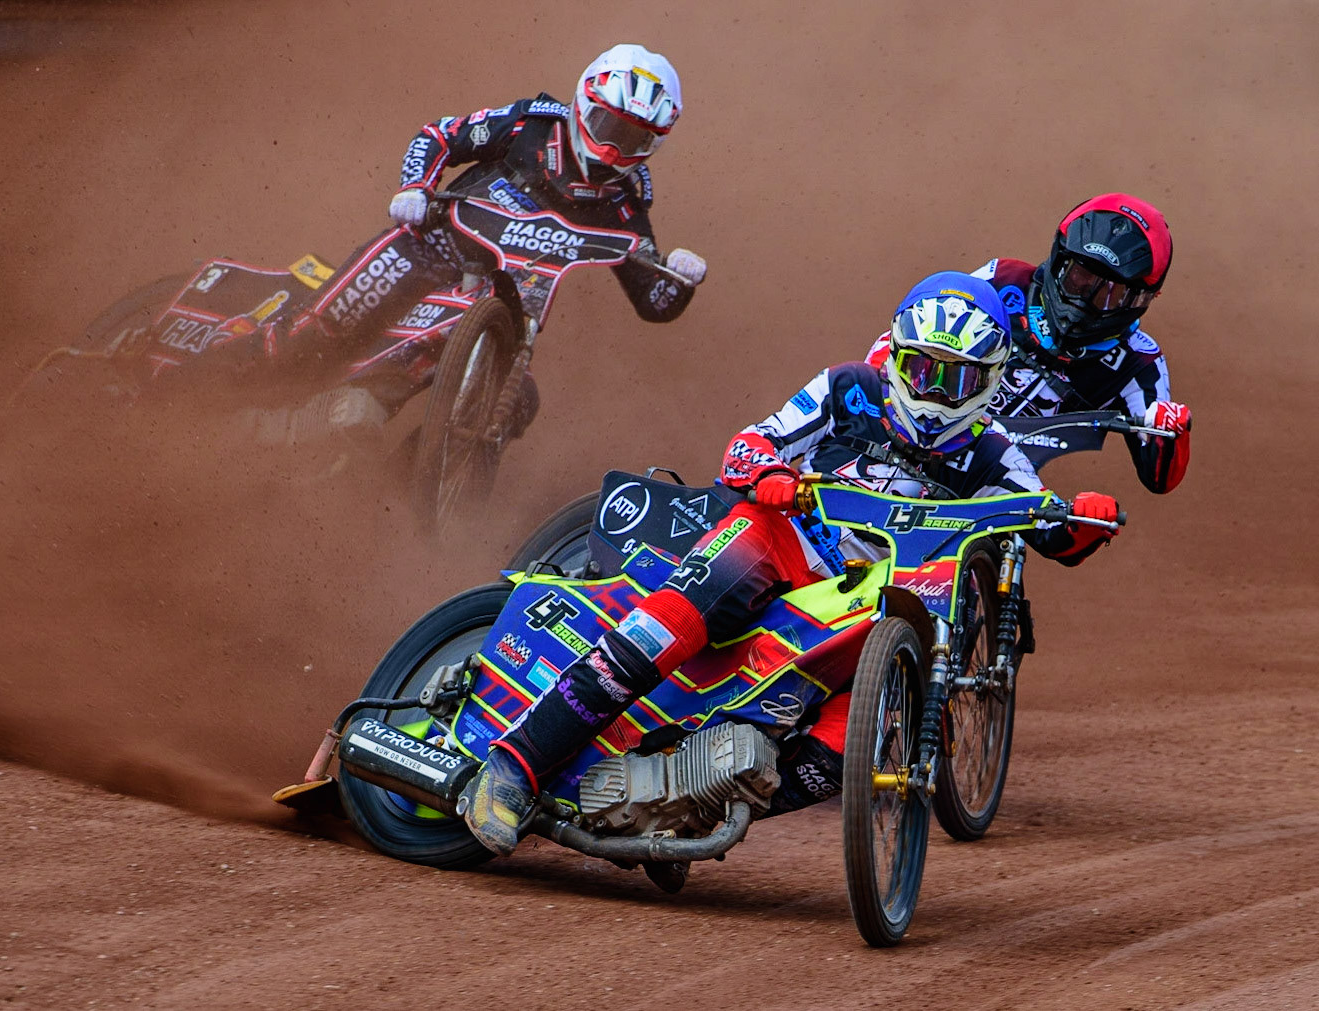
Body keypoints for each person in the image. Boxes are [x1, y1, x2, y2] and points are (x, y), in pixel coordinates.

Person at [461, 271, 1125, 855]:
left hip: (873, 601)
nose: (934, 392)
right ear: (895, 357)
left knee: (855, 743)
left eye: (956, 379)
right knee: (661, 629)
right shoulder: (845, 388)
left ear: (989, 383)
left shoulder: (995, 455)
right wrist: (770, 472)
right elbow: (748, 445)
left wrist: (1083, 518)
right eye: (922, 369)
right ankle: (512, 767)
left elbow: (1047, 527)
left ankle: (689, 807)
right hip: (781, 540)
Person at [217, 43, 706, 429]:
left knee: (519, 403)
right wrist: (415, 187)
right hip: (425, 250)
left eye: (634, 140)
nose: (613, 150)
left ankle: (410, 488)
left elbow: (652, 298)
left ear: (654, 145)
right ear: (583, 103)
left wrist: (680, 278)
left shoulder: (626, 197)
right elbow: (440, 135)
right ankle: (196, 382)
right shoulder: (530, 124)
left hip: (501, 310)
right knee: (309, 338)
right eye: (608, 125)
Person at [866, 194, 1190, 493]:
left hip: (994, 477)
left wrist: (1173, 429)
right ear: (1059, 257)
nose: (1086, 300)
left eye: (1110, 294)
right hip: (915, 427)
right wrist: (873, 381)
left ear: (1142, 299)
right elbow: (914, 327)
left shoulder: (1139, 362)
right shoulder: (1002, 280)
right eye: (1079, 277)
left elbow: (1160, 478)